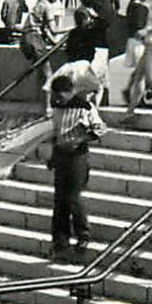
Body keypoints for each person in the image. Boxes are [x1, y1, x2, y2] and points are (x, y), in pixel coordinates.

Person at [49, 70, 106, 262]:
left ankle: (83, 235)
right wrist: (53, 155)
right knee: (59, 200)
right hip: (61, 156)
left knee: (72, 197)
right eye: (55, 95)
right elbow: (56, 133)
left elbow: (100, 129)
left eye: (60, 95)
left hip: (77, 157)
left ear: (70, 92)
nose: (57, 98)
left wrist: (80, 139)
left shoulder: (84, 107)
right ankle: (60, 241)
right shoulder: (57, 109)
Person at [21, 0, 69, 113]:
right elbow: (53, 29)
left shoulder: (39, 4)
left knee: (42, 73)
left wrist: (54, 43)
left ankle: (42, 103)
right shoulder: (47, 5)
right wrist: (72, 29)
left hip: (26, 39)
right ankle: (48, 108)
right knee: (48, 74)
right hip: (34, 39)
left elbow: (46, 30)